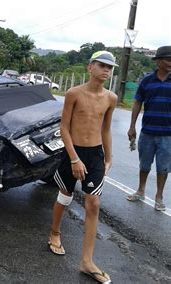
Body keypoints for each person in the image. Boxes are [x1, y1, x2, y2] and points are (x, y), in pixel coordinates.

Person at [48, 51, 117, 284]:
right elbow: (64, 127)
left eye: (110, 67)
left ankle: (87, 262)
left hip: (95, 154)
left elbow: (106, 129)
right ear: (90, 67)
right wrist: (75, 159)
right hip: (72, 152)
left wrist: (109, 157)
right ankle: (55, 233)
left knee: (94, 202)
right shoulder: (73, 93)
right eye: (102, 65)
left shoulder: (111, 98)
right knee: (65, 195)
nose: (106, 70)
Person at [127, 45, 171, 211]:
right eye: (168, 59)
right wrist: (132, 126)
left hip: (168, 134)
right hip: (147, 132)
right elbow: (138, 102)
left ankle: (159, 197)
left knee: (163, 167)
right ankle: (140, 190)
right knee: (144, 164)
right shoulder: (147, 80)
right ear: (158, 61)